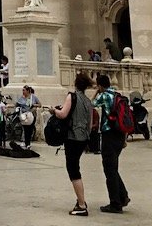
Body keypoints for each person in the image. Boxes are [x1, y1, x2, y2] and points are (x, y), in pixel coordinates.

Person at [53, 72, 97, 216]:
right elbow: (90, 125)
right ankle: (80, 200)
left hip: (72, 137)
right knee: (75, 167)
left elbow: (63, 114)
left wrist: (54, 110)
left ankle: (82, 204)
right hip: (83, 138)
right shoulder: (87, 101)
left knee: (73, 171)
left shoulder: (72, 96)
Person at [94, 74, 130, 214]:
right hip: (120, 135)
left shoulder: (104, 96)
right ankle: (123, 196)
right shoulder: (117, 95)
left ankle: (115, 203)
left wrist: (97, 92)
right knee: (113, 168)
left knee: (109, 169)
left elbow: (91, 104)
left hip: (109, 134)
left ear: (100, 85)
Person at [16, 85, 41, 149]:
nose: (23, 92)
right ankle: (26, 143)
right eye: (22, 90)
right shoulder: (22, 98)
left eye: (24, 90)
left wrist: (34, 105)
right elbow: (17, 104)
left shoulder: (33, 97)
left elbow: (40, 104)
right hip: (24, 115)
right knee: (25, 129)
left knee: (30, 129)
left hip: (32, 115)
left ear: (28, 91)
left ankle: (28, 143)